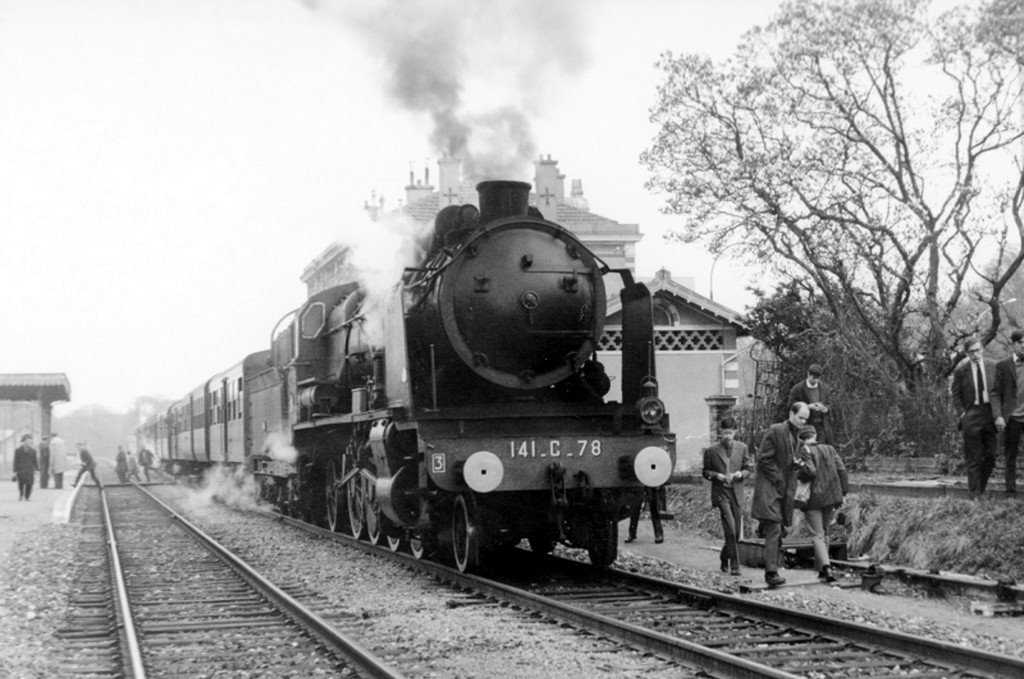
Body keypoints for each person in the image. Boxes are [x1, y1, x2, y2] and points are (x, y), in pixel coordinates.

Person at [752, 402, 815, 588]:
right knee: (775, 530)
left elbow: (792, 462)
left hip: (784, 494)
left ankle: (772, 566)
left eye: (806, 419)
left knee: (780, 531)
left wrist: (797, 465)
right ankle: (771, 573)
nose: (803, 422)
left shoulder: (797, 436)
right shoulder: (776, 430)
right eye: (801, 418)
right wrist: (779, 477)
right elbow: (763, 459)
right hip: (770, 491)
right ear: (791, 414)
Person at [701, 416, 752, 576]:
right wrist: (718, 476)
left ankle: (724, 556)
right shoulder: (711, 451)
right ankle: (735, 565)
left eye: (730, 433)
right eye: (725, 433)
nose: (728, 436)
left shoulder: (742, 447)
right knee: (729, 528)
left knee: (736, 532)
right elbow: (705, 472)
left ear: (735, 432)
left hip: (736, 493)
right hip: (721, 493)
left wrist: (740, 474)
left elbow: (748, 468)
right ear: (720, 432)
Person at [796, 425, 848, 582]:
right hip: (831, 497)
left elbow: (810, 472)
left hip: (813, 499)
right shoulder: (830, 449)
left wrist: (798, 472)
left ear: (801, 439)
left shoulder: (805, 450)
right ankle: (821, 570)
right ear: (815, 435)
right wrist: (843, 493)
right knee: (824, 532)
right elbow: (842, 470)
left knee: (817, 535)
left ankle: (827, 568)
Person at [951, 338, 998, 499]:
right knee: (973, 457)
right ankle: (975, 495)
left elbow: (999, 391)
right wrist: (962, 414)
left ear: (982, 349)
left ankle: (980, 488)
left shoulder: (993, 365)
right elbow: (955, 394)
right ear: (967, 353)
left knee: (991, 456)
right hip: (971, 414)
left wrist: (999, 414)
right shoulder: (961, 369)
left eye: (978, 350)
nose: (975, 354)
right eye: (971, 352)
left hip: (990, 413)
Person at [991, 329, 1024, 494]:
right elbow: (995, 392)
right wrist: (998, 416)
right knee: (1010, 456)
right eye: (1022, 343)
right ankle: (1010, 493)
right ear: (1014, 344)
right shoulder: (1003, 365)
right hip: (1012, 418)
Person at [788, 364, 834, 444]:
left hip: (821, 426)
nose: (816, 381)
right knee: (806, 450)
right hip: (805, 425)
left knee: (820, 450)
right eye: (814, 378)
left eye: (818, 378)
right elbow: (791, 406)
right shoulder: (797, 389)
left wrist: (825, 409)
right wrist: (808, 407)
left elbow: (829, 403)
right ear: (808, 374)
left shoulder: (824, 388)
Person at [13, 434, 38, 501]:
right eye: (27, 441)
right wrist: (14, 471)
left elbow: (35, 460)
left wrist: (36, 469)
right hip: (21, 470)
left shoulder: (33, 451)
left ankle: (27, 496)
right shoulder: (18, 450)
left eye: (29, 441)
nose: (28, 442)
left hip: (29, 470)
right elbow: (15, 461)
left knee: (29, 484)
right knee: (20, 483)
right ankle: (21, 494)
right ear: (23, 441)